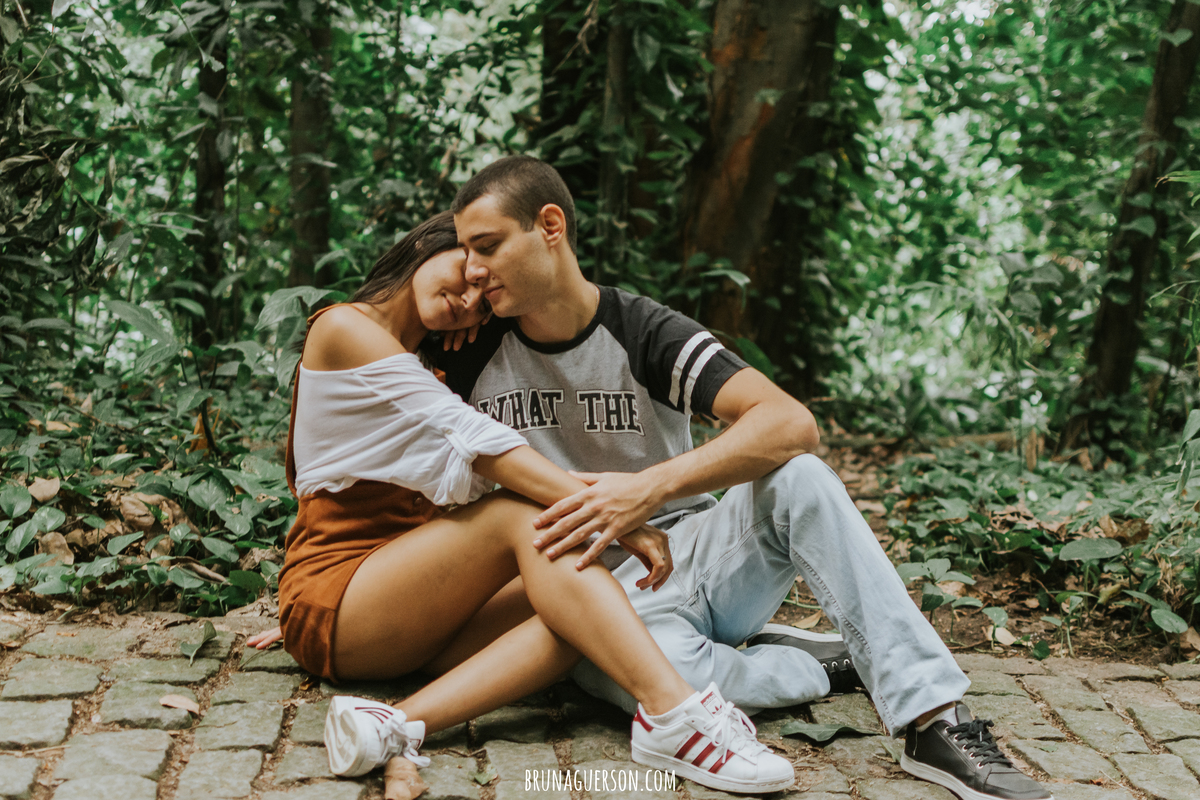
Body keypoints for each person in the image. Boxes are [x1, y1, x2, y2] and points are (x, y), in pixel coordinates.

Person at [273, 210, 795, 795]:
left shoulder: (425, 363)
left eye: (482, 295)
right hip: (340, 593)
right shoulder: (344, 327)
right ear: (425, 244)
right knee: (524, 520)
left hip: (402, 605)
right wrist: (619, 520)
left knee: (576, 607)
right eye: (463, 273)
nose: (469, 299)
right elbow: (479, 446)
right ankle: (674, 714)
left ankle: (395, 725)